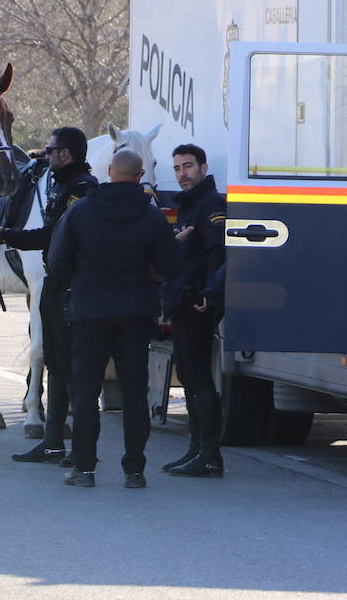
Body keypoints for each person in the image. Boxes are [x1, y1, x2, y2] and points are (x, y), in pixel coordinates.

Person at [48, 148, 179, 488]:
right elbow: (170, 266)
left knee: (86, 391)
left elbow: (57, 261)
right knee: (135, 393)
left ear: (109, 171)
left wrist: (78, 283)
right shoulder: (151, 218)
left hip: (89, 311)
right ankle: (134, 471)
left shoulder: (81, 212)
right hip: (136, 312)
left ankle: (85, 468)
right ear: (139, 177)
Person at [0, 126, 98, 465]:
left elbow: (53, 234)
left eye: (49, 150)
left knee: (74, 373)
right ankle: (52, 443)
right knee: (56, 364)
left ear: (64, 154)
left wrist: (5, 234)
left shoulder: (80, 190)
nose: (44, 155)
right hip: (56, 287)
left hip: (71, 290)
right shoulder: (63, 184)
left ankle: (81, 452)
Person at [160, 143, 228, 478]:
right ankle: (196, 447)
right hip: (181, 299)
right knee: (187, 374)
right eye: (177, 168)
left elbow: (221, 255)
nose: (182, 174)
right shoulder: (188, 204)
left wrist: (210, 294)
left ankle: (210, 454)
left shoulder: (212, 204)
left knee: (199, 376)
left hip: (197, 301)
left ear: (202, 166)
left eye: (187, 167)